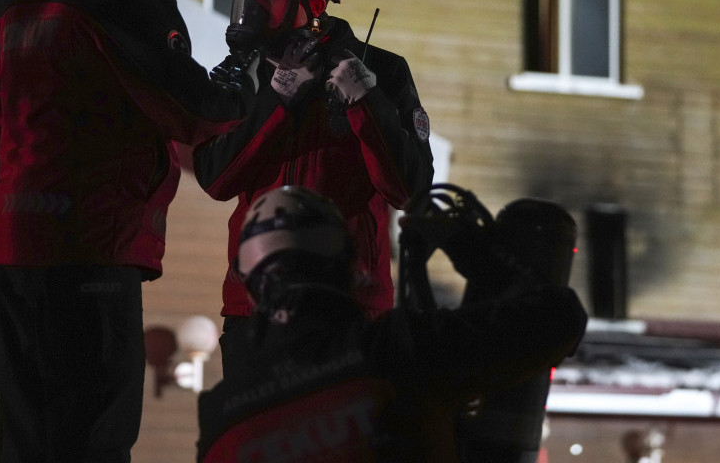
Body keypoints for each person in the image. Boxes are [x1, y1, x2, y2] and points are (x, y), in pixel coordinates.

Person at [0, 0, 259, 463]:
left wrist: (20, 192)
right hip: (91, 249)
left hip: (13, 250)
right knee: (94, 440)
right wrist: (247, 82)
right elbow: (193, 109)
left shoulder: (29, 0)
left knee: (29, 439)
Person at [192, 0, 434, 371]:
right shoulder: (243, 73)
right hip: (256, 311)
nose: (253, 6)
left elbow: (409, 189)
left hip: (351, 310)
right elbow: (217, 179)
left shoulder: (383, 70)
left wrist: (366, 101)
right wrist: (277, 99)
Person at [195, 185, 588, 462]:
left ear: (249, 287)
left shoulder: (221, 412)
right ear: (350, 269)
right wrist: (478, 255)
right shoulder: (395, 350)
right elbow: (558, 319)